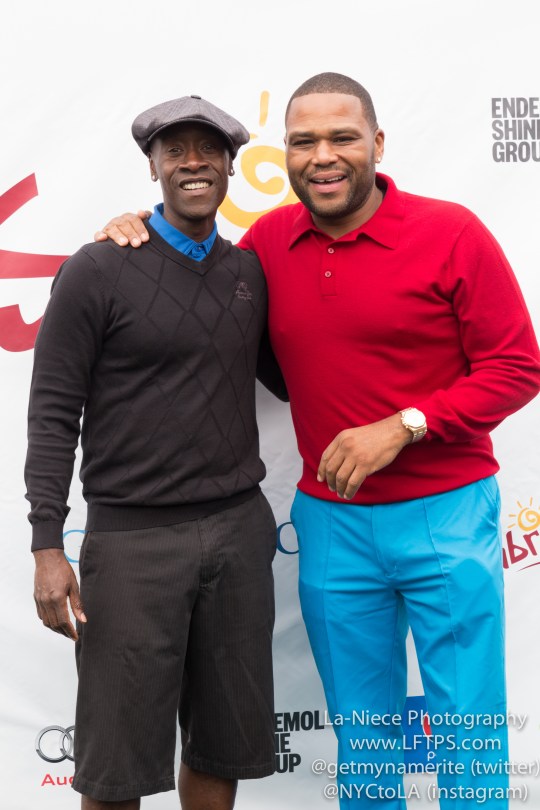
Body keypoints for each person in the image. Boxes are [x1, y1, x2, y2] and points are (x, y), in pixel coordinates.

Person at [95, 73, 540, 808]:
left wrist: (404, 426)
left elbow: (518, 366)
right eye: (304, 142)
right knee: (362, 737)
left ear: (377, 145)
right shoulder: (269, 241)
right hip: (331, 522)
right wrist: (131, 234)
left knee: (469, 730)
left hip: (448, 511)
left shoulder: (451, 231)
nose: (323, 156)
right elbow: (192, 275)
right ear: (286, 153)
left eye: (342, 137)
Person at [25, 94, 288, 810]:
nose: (194, 162)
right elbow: (51, 412)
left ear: (232, 166)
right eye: (176, 150)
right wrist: (48, 545)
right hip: (132, 544)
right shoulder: (98, 269)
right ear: (153, 167)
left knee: (220, 747)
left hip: (238, 534)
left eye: (209, 149)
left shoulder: (249, 273)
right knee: (117, 766)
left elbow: (294, 378)